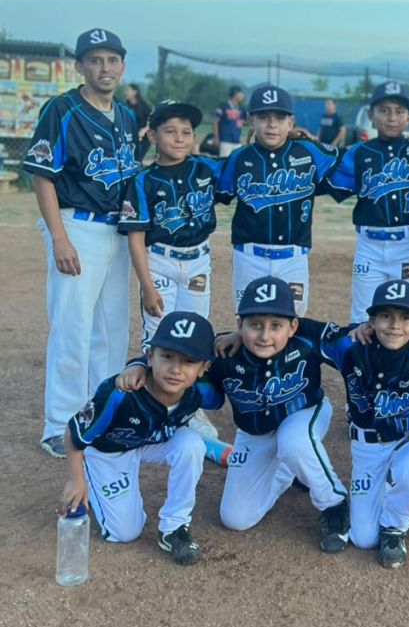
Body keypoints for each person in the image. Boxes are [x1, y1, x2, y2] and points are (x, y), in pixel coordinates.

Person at [120, 277, 351, 552]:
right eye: (255, 325)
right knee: (236, 518)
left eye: (276, 326)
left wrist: (369, 331)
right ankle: (289, 469)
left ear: (292, 326)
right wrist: (137, 365)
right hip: (255, 432)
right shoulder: (222, 352)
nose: (265, 335)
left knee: (294, 441)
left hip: (305, 413)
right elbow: (174, 353)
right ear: (239, 324)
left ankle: (334, 505)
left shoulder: (306, 336)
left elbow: (355, 342)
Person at [22, 28, 141, 459]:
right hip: (78, 228)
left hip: (116, 232)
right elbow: (42, 175)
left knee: (111, 332)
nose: (104, 68)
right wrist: (59, 238)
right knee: (73, 330)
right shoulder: (63, 109)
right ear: (80, 67)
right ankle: (59, 425)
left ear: (123, 66)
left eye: (112, 60)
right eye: (95, 60)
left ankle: (102, 416)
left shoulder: (126, 117)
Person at [58, 312, 217, 565]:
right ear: (150, 355)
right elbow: (74, 433)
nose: (176, 369)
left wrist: (236, 336)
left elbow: (235, 364)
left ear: (203, 368)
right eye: (167, 356)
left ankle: (174, 527)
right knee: (125, 533)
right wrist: (76, 480)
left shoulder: (204, 390)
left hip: (151, 442)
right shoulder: (120, 393)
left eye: (189, 361)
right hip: (108, 452)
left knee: (191, 445)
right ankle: (92, 475)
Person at [334, 280, 409, 568]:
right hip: (365, 445)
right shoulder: (352, 346)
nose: (395, 325)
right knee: (362, 538)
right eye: (386, 316)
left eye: (405, 318)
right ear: (371, 321)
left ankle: (395, 528)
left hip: (407, 439)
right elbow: (308, 333)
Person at [327, 80, 409, 323]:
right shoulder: (359, 152)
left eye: (399, 111)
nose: (392, 117)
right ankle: (361, 362)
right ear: (371, 115)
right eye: (384, 110)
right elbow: (330, 179)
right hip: (369, 245)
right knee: (362, 316)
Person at [218, 84, 338, 316]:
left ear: (290, 123)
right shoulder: (239, 158)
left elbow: (347, 162)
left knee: (294, 322)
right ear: (250, 120)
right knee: (247, 320)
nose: (272, 124)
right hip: (249, 256)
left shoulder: (309, 152)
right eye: (264, 117)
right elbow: (217, 191)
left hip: (294, 257)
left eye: (280, 118)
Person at [118, 100, 221, 343]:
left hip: (198, 261)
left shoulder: (207, 168)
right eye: (170, 131)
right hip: (159, 263)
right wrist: (147, 287)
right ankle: (153, 380)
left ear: (194, 136)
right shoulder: (143, 181)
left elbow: (244, 162)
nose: (179, 139)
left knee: (195, 331)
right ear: (153, 135)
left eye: (186, 132)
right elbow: (136, 239)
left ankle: (192, 382)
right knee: (158, 333)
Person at [212, 85, 246, 158]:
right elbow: (215, 121)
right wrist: (216, 137)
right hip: (225, 141)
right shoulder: (223, 107)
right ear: (236, 94)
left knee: (236, 162)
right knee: (224, 162)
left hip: (237, 141)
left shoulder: (241, 109)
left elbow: (244, 122)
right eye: (241, 94)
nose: (242, 96)